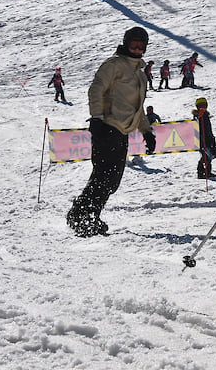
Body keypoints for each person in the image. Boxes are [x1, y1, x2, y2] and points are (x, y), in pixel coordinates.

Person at [66, 27, 156, 237]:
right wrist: (96, 118)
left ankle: (90, 215)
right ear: (125, 43)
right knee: (103, 175)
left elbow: (138, 108)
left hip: (122, 132)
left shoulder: (140, 75)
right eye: (133, 43)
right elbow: (96, 89)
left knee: (112, 180)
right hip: (106, 127)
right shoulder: (114, 65)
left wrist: (147, 132)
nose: (137, 48)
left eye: (141, 45)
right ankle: (81, 215)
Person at [193, 97, 216, 179]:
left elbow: (208, 129)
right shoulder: (198, 116)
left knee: (208, 157)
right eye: (201, 105)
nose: (203, 107)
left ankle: (207, 172)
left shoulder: (205, 115)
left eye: (205, 105)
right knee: (206, 157)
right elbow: (197, 128)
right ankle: (201, 173)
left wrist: (212, 138)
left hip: (208, 139)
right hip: (201, 140)